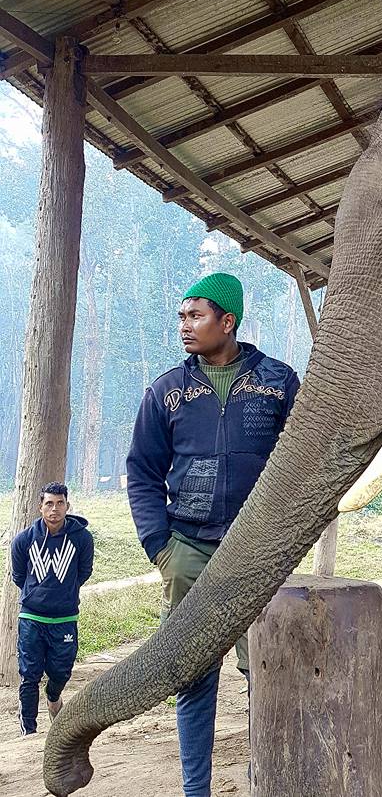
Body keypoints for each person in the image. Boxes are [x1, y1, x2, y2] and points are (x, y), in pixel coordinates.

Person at [126, 272, 299, 797]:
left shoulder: (278, 382)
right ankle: (195, 791)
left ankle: (267, 780)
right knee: (193, 675)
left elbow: (300, 466)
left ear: (228, 320)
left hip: (257, 555)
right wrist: (163, 549)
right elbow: (142, 473)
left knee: (266, 675)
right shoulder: (167, 392)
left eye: (195, 315)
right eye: (181, 316)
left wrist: (283, 540)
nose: (184, 325)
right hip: (190, 551)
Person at [10, 482, 94, 736]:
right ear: (40, 507)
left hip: (65, 617)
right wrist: (36, 595)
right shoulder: (23, 540)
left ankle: (54, 696)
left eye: (59, 503)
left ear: (67, 506)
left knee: (61, 670)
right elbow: (19, 575)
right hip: (32, 616)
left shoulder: (82, 538)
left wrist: (64, 594)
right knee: (29, 674)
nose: (54, 509)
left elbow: (84, 572)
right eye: (49, 503)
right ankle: (29, 730)